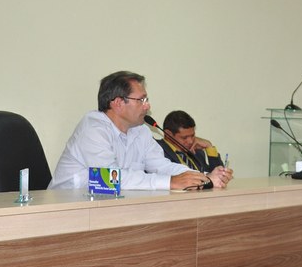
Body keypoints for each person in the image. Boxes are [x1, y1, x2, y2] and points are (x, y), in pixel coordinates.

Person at [49, 71, 223, 190]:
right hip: (67, 209)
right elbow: (111, 179)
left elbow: (161, 166)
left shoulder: (140, 130)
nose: (147, 106)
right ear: (118, 103)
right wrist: (170, 182)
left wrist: (204, 177)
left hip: (110, 207)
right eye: (141, 100)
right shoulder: (93, 129)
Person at [158, 110, 233, 184]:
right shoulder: (157, 150)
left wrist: (209, 146)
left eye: (192, 135)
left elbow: (218, 177)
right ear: (168, 134)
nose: (190, 141)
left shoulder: (196, 151)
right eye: (184, 137)